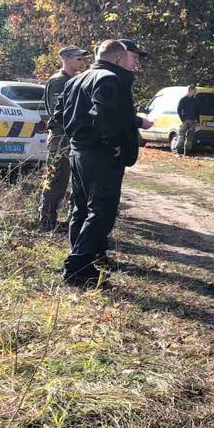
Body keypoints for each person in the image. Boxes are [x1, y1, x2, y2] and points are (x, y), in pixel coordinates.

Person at [55, 39, 153, 287]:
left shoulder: (77, 79)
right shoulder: (109, 79)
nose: (135, 62)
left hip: (79, 150)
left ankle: (84, 262)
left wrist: (78, 133)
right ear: (118, 58)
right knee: (101, 211)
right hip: (100, 154)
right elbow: (105, 114)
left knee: (81, 208)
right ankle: (77, 267)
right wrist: (112, 143)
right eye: (130, 58)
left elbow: (58, 113)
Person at [39, 45, 89, 232]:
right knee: (56, 179)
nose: (82, 62)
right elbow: (58, 113)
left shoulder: (76, 80)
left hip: (75, 137)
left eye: (83, 59)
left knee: (78, 179)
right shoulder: (59, 81)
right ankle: (47, 220)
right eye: (79, 59)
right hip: (61, 137)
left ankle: (73, 220)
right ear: (67, 59)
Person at [175, 85, 200, 155]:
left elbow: (197, 111)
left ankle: (187, 152)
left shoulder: (195, 100)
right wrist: (182, 119)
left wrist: (198, 121)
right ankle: (178, 150)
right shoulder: (183, 99)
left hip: (193, 121)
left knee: (190, 137)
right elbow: (179, 110)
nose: (194, 92)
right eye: (193, 91)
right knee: (181, 136)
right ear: (189, 91)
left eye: (194, 91)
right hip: (185, 121)